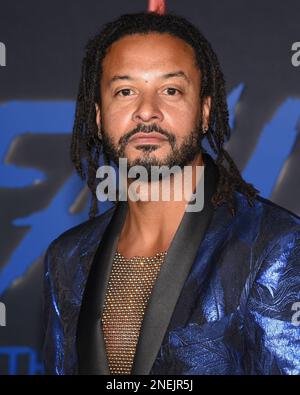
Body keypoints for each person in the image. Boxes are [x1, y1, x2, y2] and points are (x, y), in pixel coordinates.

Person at [43, 11, 300, 375]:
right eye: (126, 91)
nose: (147, 111)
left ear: (205, 112)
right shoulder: (66, 259)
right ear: (99, 117)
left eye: (171, 90)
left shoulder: (275, 244)